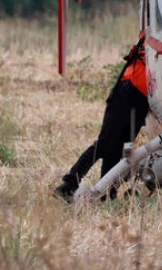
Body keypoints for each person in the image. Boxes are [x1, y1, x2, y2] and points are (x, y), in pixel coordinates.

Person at [54, 36, 150, 200]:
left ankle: (107, 193)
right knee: (105, 144)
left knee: (120, 149)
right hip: (125, 94)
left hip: (142, 102)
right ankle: (69, 184)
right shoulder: (151, 38)